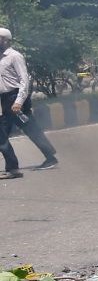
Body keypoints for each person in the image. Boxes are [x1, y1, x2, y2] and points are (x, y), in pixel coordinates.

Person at [0, 29, 58, 175]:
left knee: (31, 129)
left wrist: (19, 101)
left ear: (6, 40)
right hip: (5, 100)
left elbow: (24, 81)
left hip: (16, 98)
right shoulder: (0, 58)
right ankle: (13, 167)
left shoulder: (15, 56)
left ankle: (50, 157)